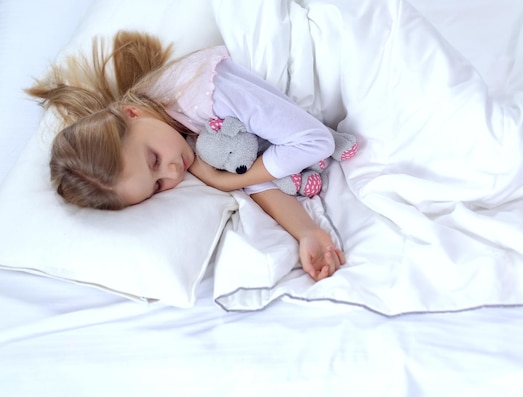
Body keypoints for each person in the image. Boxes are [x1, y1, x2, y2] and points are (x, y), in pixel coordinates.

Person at [26, 31, 345, 281]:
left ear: (131, 112)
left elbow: (314, 141)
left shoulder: (205, 98)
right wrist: (307, 232)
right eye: (157, 186)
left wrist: (224, 182)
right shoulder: (170, 131)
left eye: (154, 161)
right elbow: (254, 167)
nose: (173, 173)